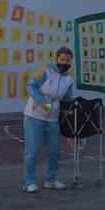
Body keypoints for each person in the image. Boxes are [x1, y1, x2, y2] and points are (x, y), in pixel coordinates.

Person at [22, 46, 74, 193]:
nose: (64, 63)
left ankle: (51, 180)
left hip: (53, 119)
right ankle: (29, 182)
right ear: (56, 59)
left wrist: (70, 119)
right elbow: (30, 85)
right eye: (62, 59)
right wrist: (41, 101)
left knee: (55, 151)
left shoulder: (69, 80)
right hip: (34, 115)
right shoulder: (45, 70)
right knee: (32, 151)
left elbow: (68, 101)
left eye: (68, 61)